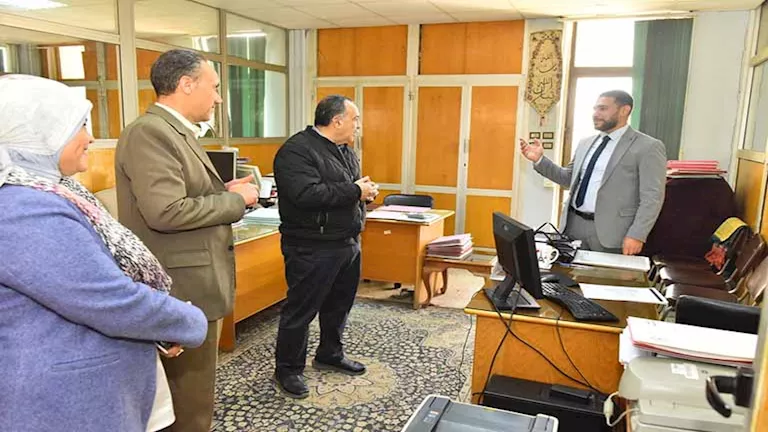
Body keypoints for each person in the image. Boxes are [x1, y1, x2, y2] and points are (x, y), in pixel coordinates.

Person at [0, 75, 208, 432]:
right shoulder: (23, 208)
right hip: (63, 402)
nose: (90, 137)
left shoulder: (53, 190)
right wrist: (189, 321)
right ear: (41, 134)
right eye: (79, 126)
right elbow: (109, 299)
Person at [115, 49, 259, 432]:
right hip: (181, 288)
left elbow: (183, 196)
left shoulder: (175, 131)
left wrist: (224, 191)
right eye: (214, 87)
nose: (219, 98)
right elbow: (166, 212)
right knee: (187, 405)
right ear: (186, 84)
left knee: (193, 397)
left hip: (194, 284)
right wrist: (235, 201)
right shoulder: (151, 133)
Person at [272, 95, 379, 399]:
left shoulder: (345, 150)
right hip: (312, 246)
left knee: (339, 305)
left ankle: (330, 353)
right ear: (337, 121)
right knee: (301, 311)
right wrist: (355, 190)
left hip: (347, 242)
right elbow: (306, 194)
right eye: (355, 119)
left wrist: (365, 193)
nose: (358, 126)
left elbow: (346, 189)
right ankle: (288, 369)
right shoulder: (297, 151)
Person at [520, 90, 667, 255]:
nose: (595, 114)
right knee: (567, 272)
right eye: (595, 109)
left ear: (624, 110)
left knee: (605, 273)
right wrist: (539, 160)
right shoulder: (585, 143)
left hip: (613, 233)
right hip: (573, 227)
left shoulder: (647, 147)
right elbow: (568, 179)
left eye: (602, 109)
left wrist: (637, 234)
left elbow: (652, 197)